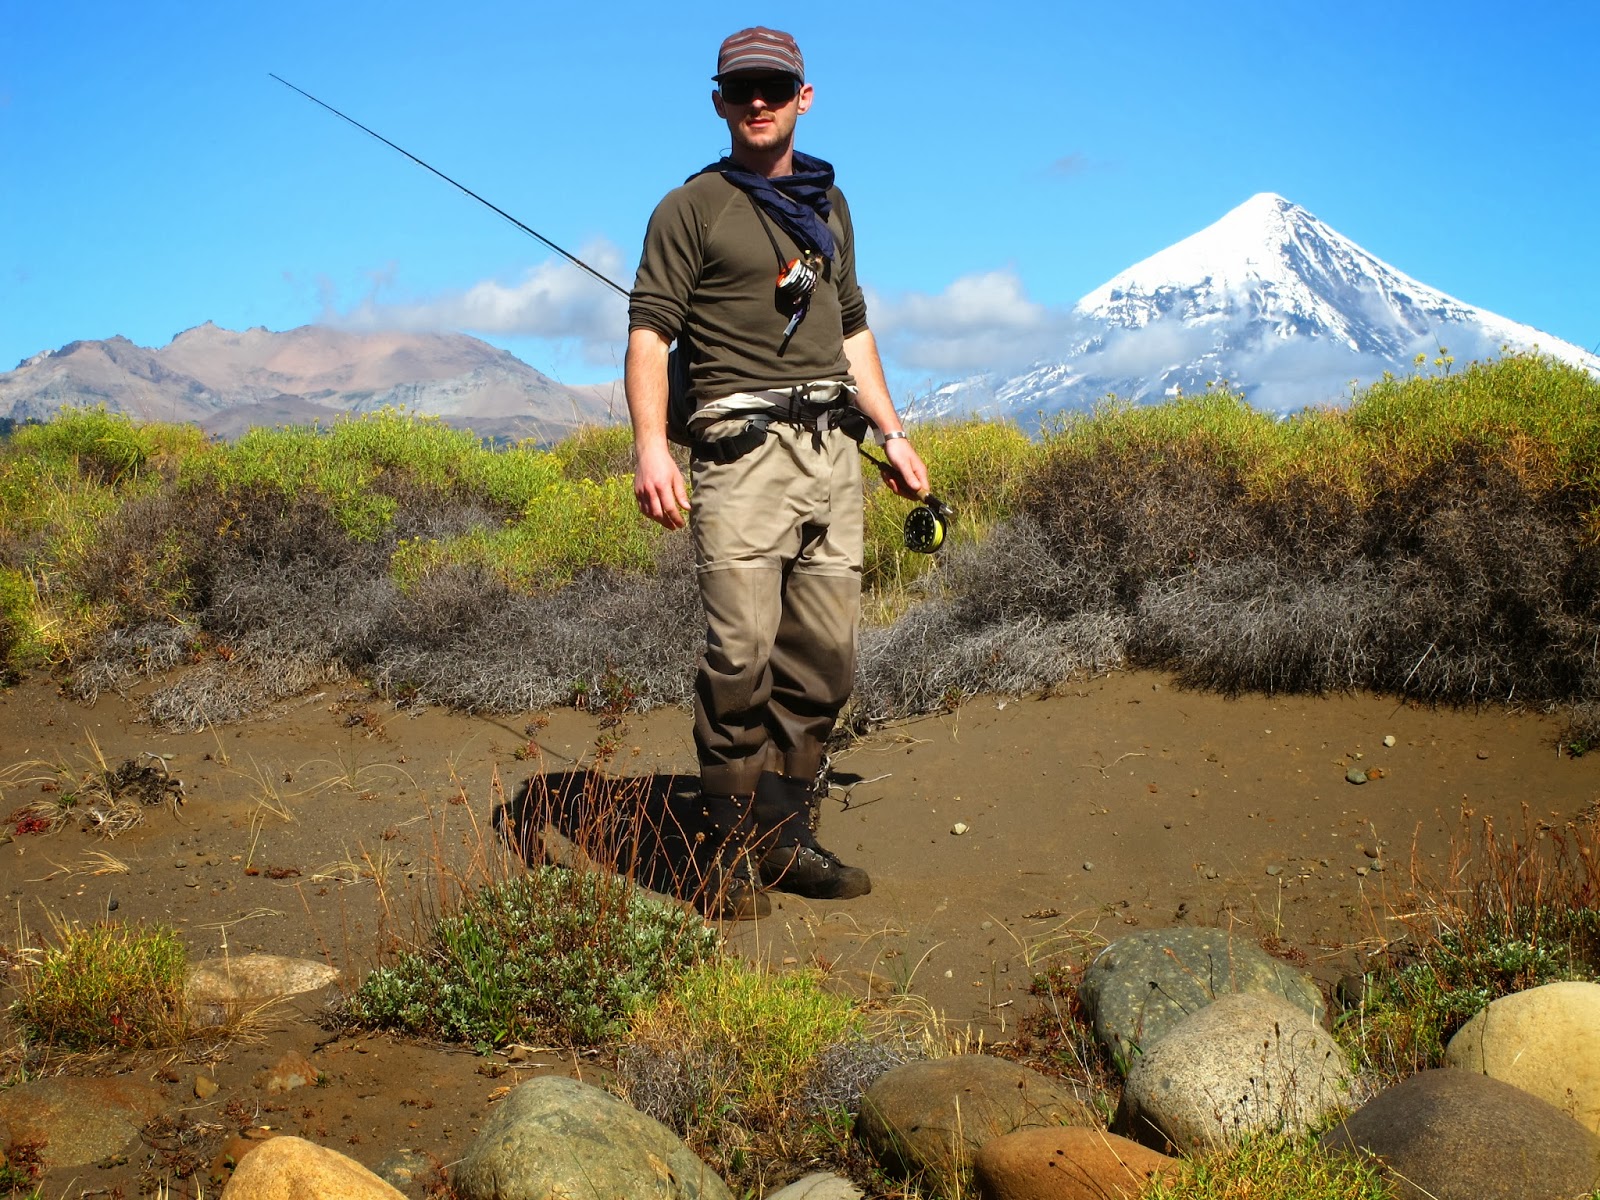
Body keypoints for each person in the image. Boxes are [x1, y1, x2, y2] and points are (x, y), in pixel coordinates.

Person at [626, 26, 928, 917]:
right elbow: (649, 331)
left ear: (804, 96)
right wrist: (650, 445)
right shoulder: (692, 208)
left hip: (834, 454)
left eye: (774, 86)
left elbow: (855, 327)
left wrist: (894, 434)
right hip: (738, 456)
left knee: (824, 661)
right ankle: (721, 848)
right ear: (719, 102)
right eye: (740, 88)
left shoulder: (830, 208)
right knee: (740, 657)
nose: (757, 100)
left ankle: (783, 837)